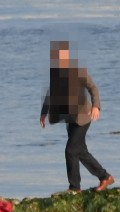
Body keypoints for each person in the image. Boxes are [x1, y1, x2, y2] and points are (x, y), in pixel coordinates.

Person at [40, 40, 113, 192]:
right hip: (70, 119)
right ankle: (105, 177)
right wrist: (44, 112)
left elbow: (93, 88)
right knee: (80, 151)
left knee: (70, 150)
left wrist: (96, 106)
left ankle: (75, 188)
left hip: (83, 117)